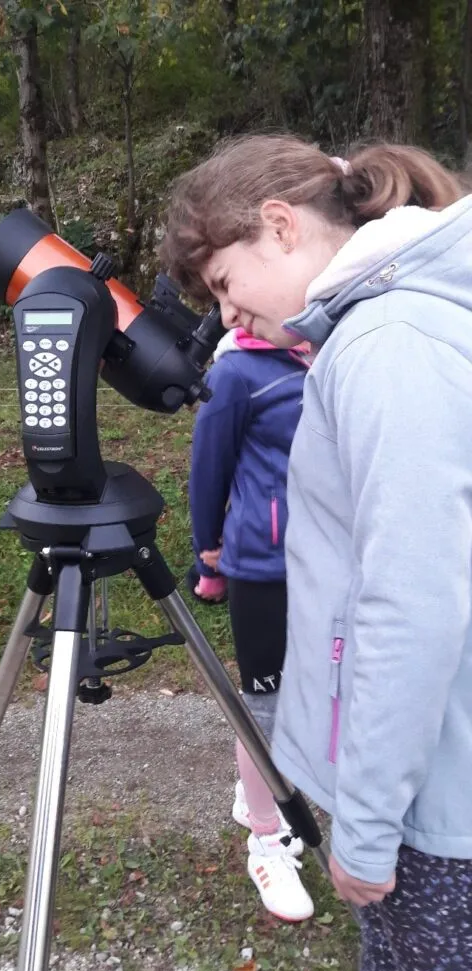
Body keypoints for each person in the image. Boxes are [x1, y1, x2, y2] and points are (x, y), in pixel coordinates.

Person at [160, 134, 472, 971]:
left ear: (281, 225)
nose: (228, 315)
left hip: (436, 813)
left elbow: (410, 607)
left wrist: (365, 827)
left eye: (225, 283)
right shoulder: (388, 326)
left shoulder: (387, 345)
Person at [187, 324, 313, 921]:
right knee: (267, 708)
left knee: (312, 696)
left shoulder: (333, 351)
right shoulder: (235, 372)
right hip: (262, 565)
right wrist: (206, 555)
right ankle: (265, 840)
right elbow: (208, 469)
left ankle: (256, 791)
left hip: (328, 561)